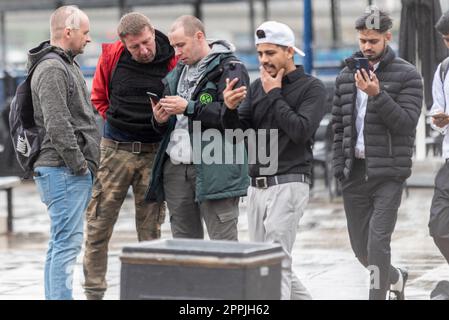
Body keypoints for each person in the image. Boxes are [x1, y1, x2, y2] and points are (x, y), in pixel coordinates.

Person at [222, 21, 326, 300]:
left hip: (289, 182)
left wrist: (274, 94)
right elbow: (237, 137)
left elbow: (301, 130)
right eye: (260, 54)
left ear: (289, 52)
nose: (264, 60)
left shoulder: (312, 88)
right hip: (257, 186)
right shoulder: (256, 88)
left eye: (270, 53)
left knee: (275, 262)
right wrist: (229, 110)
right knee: (264, 264)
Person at [82, 12, 177, 300]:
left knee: (150, 229)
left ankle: (150, 292)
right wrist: (120, 120)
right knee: (98, 223)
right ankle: (94, 291)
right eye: (135, 47)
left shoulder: (173, 58)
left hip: (153, 151)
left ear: (152, 32)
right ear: (124, 44)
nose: (143, 51)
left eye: (146, 43)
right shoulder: (112, 57)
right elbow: (99, 97)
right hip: (115, 149)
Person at [332, 9, 423, 300]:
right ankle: (395, 277)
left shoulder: (408, 74)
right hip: (354, 173)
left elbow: (406, 123)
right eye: (362, 41)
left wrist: (377, 95)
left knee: (377, 244)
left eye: (373, 41)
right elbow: (339, 127)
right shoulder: (346, 75)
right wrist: (339, 168)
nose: (367, 47)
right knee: (361, 249)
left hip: (388, 175)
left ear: (387, 37)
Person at [145, 15, 249, 241]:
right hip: (175, 168)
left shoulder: (231, 68)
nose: (177, 52)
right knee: (184, 246)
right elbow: (171, 125)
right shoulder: (176, 73)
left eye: (180, 45)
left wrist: (189, 107)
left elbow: (234, 121)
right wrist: (160, 119)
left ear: (199, 37)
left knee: (223, 246)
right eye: (173, 47)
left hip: (215, 166)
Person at [30, 5, 100, 299]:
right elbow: (58, 124)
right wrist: (80, 165)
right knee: (67, 244)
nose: (89, 39)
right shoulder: (52, 68)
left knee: (61, 242)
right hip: (63, 170)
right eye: (85, 33)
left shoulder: (64, 64)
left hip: (65, 170)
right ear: (68, 32)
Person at [429, 10, 449, 266]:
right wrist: (439, 120)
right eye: (446, 38)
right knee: (438, 226)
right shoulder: (443, 69)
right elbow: (437, 107)